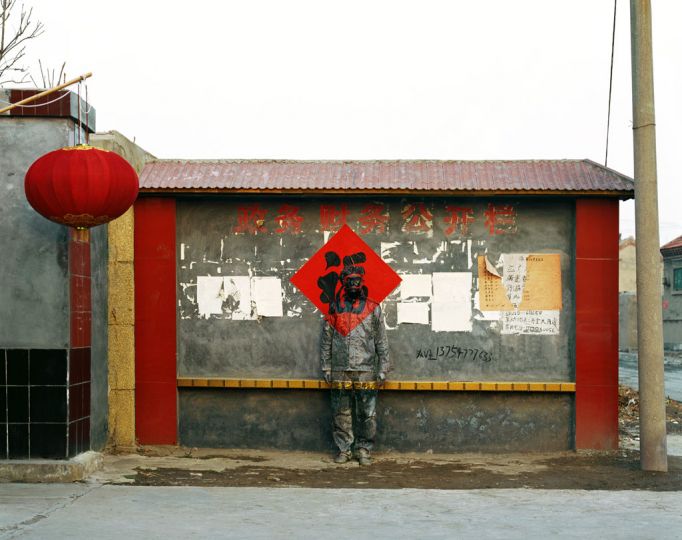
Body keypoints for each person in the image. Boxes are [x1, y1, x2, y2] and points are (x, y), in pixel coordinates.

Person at [320, 265, 390, 465]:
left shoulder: (373, 308)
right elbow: (327, 340)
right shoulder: (335, 308)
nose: (353, 284)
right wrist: (326, 366)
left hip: (366, 370)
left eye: (356, 280)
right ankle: (344, 449)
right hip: (340, 369)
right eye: (349, 280)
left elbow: (381, 341)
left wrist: (383, 368)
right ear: (343, 283)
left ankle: (364, 449)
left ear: (362, 282)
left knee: (367, 413)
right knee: (340, 412)